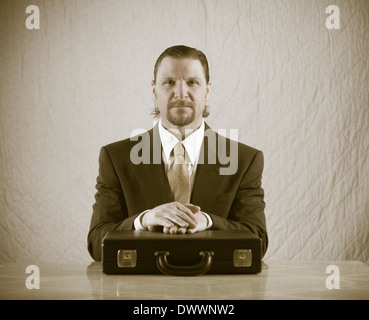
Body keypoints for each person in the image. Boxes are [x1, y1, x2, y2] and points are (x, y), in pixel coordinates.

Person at [87, 45, 268, 261]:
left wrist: (209, 222)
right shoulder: (116, 158)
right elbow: (96, 244)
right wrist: (144, 220)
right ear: (154, 90)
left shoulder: (245, 160)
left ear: (207, 90)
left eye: (192, 82)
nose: (181, 93)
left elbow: (258, 241)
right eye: (169, 82)